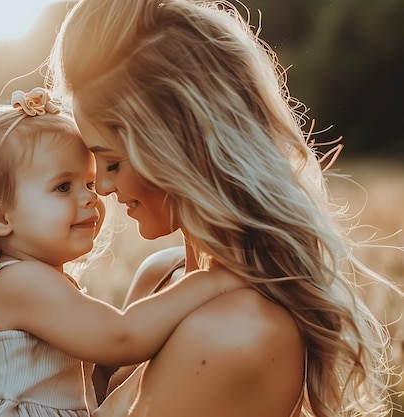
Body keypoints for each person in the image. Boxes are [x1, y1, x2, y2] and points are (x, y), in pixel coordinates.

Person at [47, 0, 401, 416]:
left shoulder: (240, 330)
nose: (103, 187)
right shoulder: (162, 276)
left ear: (178, 151)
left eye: (112, 162)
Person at [0, 87, 245, 417]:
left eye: (88, 183)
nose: (92, 196)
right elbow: (121, 337)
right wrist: (212, 280)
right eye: (63, 186)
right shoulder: (16, 282)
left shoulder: (35, 279)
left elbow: (106, 371)